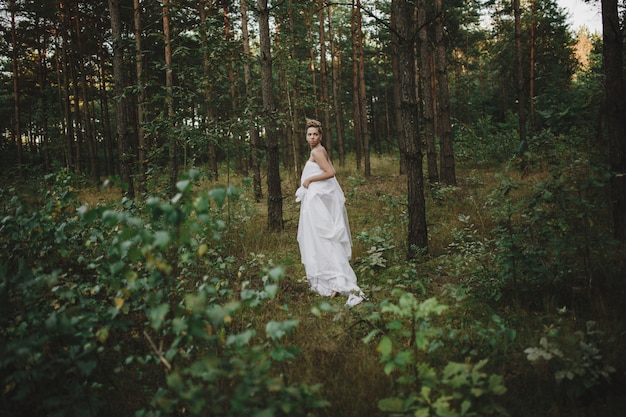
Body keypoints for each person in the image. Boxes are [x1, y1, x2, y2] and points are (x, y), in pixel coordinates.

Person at [295, 118, 364, 307]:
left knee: (322, 238)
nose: (312, 137)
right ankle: (330, 279)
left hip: (315, 200)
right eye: (309, 134)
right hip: (315, 199)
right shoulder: (317, 150)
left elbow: (330, 172)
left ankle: (334, 278)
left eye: (315, 134)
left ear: (321, 136)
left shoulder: (317, 151)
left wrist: (309, 180)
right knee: (320, 238)